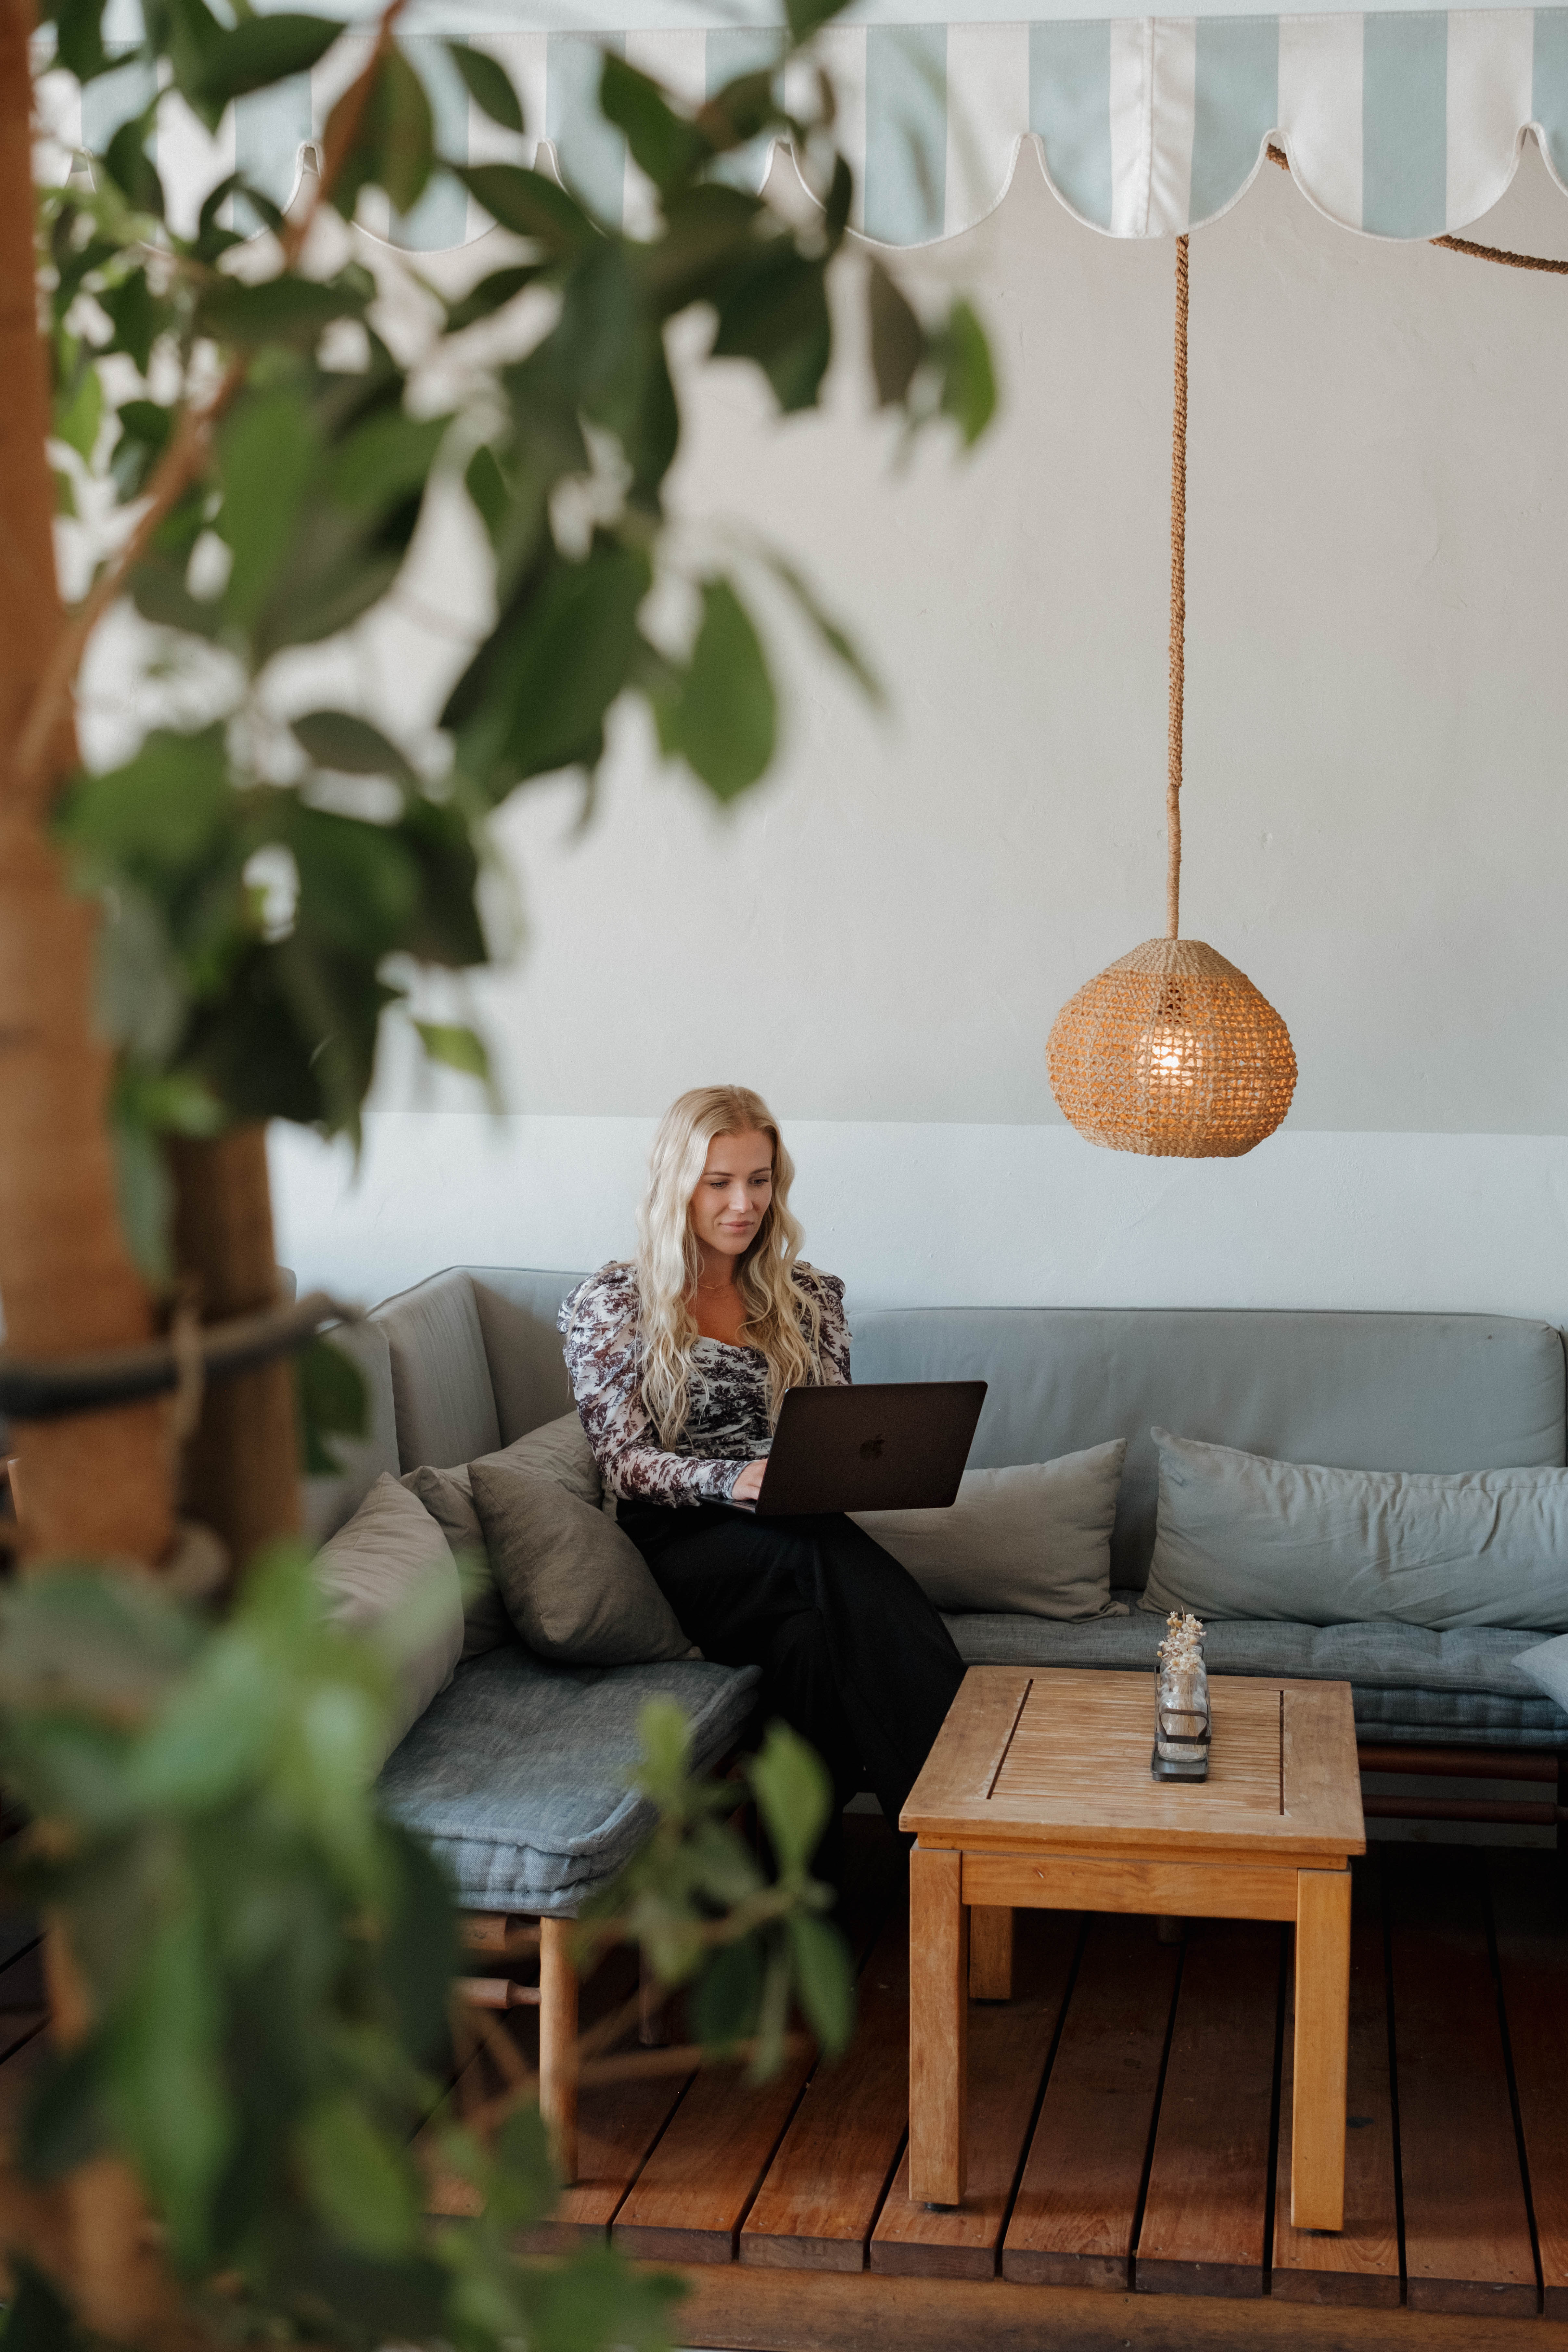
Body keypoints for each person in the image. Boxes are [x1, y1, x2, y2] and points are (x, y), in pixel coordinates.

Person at [558, 1084, 964, 1881]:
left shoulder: (810, 1297)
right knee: (812, 1557)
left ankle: (805, 1889)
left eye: (759, 1179)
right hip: (680, 1543)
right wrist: (733, 1479)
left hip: (792, 1525)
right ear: (677, 1183)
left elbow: (838, 1432)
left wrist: (866, 1462)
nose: (743, 1204)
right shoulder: (612, 1302)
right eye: (719, 1183)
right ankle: (958, 1809)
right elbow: (624, 1464)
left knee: (807, 1644)